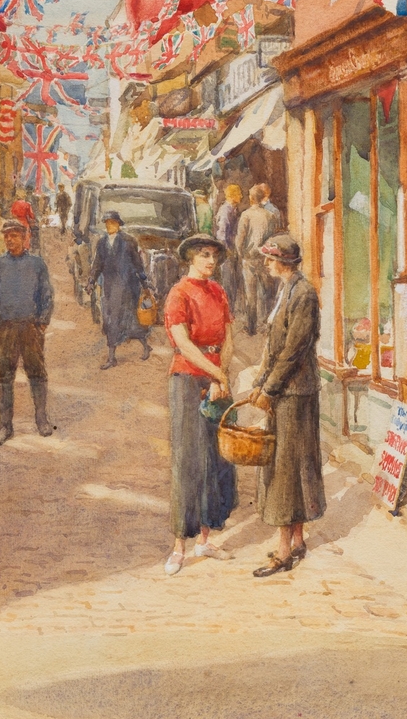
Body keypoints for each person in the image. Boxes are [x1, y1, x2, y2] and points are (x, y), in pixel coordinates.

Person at [249, 234, 326, 577]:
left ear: (284, 261)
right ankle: (295, 540)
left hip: (295, 393)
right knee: (290, 467)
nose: (266, 264)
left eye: (270, 259)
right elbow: (274, 344)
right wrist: (259, 382)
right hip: (285, 391)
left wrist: (271, 387)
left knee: (285, 471)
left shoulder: (304, 294)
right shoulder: (286, 289)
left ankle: (283, 551)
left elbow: (294, 349)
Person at [164, 234, 237, 576]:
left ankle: (204, 539)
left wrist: (222, 378)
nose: (210, 261)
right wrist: (216, 375)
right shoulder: (179, 294)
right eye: (204, 255)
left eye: (214, 256)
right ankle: (179, 545)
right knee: (187, 460)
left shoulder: (219, 292)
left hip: (216, 382)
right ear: (191, 258)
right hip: (188, 381)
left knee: (216, 460)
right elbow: (183, 343)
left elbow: (229, 337)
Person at [0, 218, 54, 442]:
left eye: (14, 236)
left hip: (30, 327)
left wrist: (42, 322)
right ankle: (5, 427)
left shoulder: (37, 264)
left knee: (37, 373)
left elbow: (46, 295)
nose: (9, 240)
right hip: (5, 327)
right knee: (3, 375)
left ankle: (42, 420)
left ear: (24, 238)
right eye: (6, 236)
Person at [87, 211, 152, 369]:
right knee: (111, 320)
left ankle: (139, 346)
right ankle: (115, 355)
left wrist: (144, 284)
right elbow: (97, 264)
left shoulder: (128, 241)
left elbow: (138, 264)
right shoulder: (102, 243)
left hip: (128, 287)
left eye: (112, 223)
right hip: (109, 287)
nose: (109, 226)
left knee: (127, 320)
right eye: (107, 223)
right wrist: (91, 282)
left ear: (118, 224)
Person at [235, 184, 278, 336]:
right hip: (265, 258)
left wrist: (241, 253)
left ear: (251, 198)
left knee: (250, 293)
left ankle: (251, 326)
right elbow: (273, 238)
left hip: (250, 258)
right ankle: (266, 325)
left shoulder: (246, 215)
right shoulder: (270, 216)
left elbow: (240, 238)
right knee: (266, 292)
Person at [215, 183, 244, 314]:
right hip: (227, 251)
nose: (241, 196)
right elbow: (221, 233)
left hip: (231, 250)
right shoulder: (225, 210)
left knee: (231, 281)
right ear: (233, 196)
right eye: (239, 194)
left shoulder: (233, 209)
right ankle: (227, 309)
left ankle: (229, 308)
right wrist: (226, 250)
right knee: (227, 281)